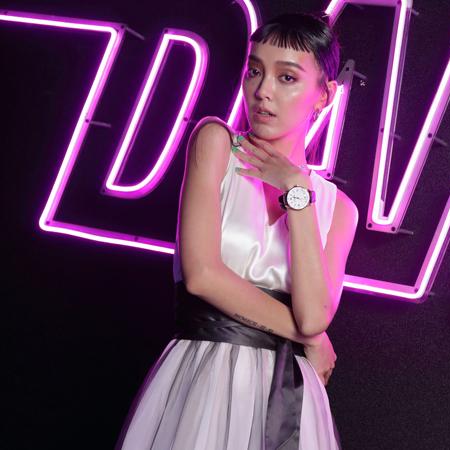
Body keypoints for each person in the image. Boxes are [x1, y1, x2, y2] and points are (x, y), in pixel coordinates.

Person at [115, 11, 359, 450]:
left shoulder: (339, 209)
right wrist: (311, 338)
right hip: (204, 376)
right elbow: (202, 275)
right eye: (254, 71)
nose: (262, 90)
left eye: (287, 78)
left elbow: (312, 314)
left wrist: (297, 193)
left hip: (288, 394)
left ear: (324, 95)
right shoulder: (215, 143)